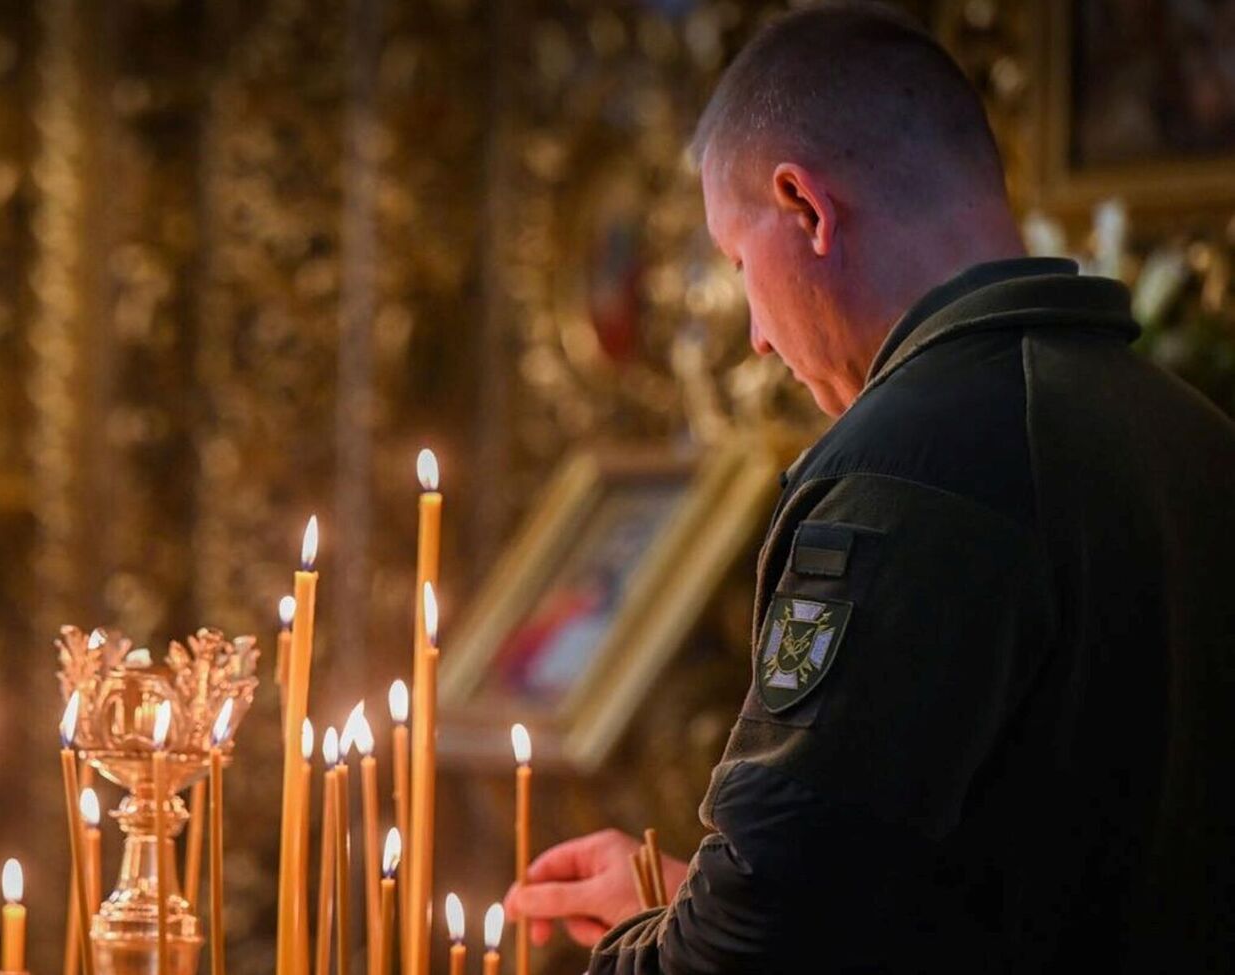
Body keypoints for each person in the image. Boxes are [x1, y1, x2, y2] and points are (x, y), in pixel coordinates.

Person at [503, 2, 1235, 972]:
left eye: (736, 261)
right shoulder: (1193, 433)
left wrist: (672, 940)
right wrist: (677, 900)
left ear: (804, 208)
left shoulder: (906, 465)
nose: (757, 337)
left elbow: (751, 952)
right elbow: (1026, 865)